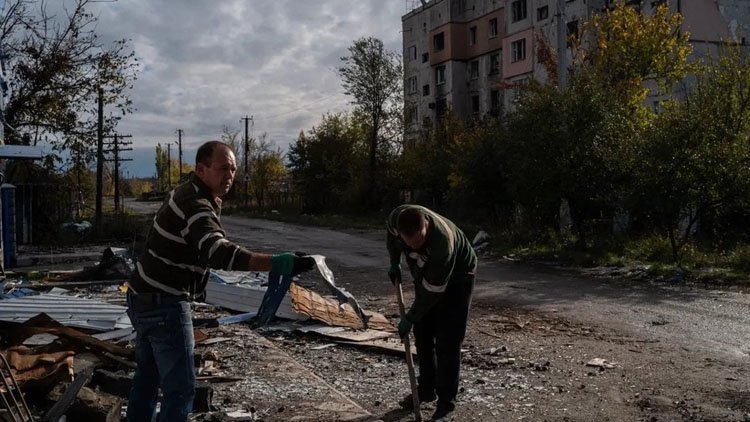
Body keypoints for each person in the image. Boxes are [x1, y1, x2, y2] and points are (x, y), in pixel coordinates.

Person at [125, 140, 314, 422]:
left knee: (147, 380)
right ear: (201, 169)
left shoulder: (188, 193)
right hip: (164, 303)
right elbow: (217, 252)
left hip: (142, 296)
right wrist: (278, 262)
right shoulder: (195, 203)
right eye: (223, 168)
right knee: (180, 390)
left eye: (234, 169)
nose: (230, 175)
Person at [386, 204, 477, 422]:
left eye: (419, 242)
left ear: (425, 226)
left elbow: (431, 293)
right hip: (427, 273)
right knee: (423, 334)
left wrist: (410, 317)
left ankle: (446, 404)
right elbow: (391, 240)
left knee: (448, 340)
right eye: (410, 244)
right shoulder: (396, 220)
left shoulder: (442, 243)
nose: (414, 247)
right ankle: (426, 390)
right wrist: (394, 263)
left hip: (458, 276)